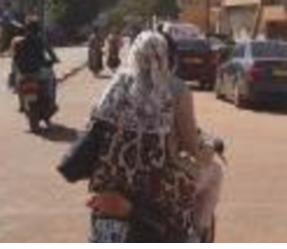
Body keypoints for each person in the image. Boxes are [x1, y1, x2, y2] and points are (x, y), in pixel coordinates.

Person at [86, 30, 223, 242]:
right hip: (154, 181)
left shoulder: (116, 84)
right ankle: (195, 235)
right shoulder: (173, 88)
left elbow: (94, 125)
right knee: (214, 172)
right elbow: (190, 144)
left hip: (109, 179)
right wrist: (207, 150)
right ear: (167, 57)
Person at [13, 17, 59, 117]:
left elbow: (15, 59)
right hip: (38, 71)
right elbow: (50, 53)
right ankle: (51, 103)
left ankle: (21, 105)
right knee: (52, 81)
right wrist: (54, 60)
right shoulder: (40, 40)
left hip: (23, 72)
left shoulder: (18, 42)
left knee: (18, 83)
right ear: (37, 29)